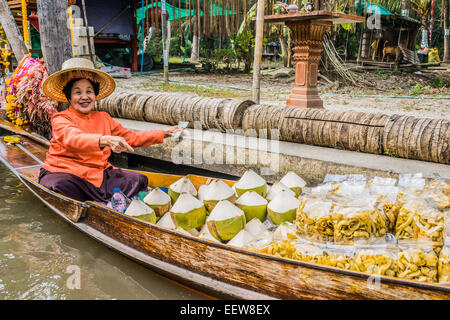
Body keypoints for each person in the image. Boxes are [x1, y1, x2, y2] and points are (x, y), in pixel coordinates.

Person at [39, 57, 179, 203]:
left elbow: (130, 138)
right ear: (69, 97)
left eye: (89, 91)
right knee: (61, 185)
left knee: (138, 179)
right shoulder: (61, 119)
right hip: (67, 172)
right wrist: (104, 140)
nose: (85, 97)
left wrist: (163, 133)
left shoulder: (104, 117)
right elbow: (73, 138)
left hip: (98, 174)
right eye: (77, 92)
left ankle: (106, 202)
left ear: (95, 95)